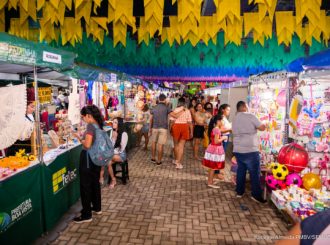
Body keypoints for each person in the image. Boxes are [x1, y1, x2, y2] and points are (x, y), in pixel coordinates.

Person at [73, 105, 104, 223]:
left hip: (88, 158)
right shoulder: (99, 123)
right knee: (95, 183)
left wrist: (79, 139)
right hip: (96, 158)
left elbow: (87, 145)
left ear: (88, 116)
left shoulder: (91, 126)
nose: (83, 120)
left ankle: (86, 215)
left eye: (83, 117)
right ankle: (97, 207)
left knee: (85, 186)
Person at [232, 101, 267, 203]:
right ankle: (256, 195)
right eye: (246, 106)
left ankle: (239, 192)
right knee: (254, 173)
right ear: (243, 106)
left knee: (241, 171)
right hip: (250, 149)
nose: (248, 108)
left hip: (238, 149)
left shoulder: (235, 118)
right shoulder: (250, 116)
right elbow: (262, 127)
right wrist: (265, 124)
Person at [149, 94, 182, 165]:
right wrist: (183, 110)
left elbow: (151, 119)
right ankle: (159, 161)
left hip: (154, 127)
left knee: (153, 143)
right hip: (163, 128)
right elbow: (175, 116)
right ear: (164, 99)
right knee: (160, 145)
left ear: (159, 99)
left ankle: (153, 158)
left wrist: (150, 129)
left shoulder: (154, 107)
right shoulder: (167, 108)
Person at [101, 117, 128, 188]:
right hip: (113, 153)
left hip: (121, 155)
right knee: (108, 162)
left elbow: (121, 149)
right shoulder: (112, 132)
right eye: (113, 122)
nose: (113, 124)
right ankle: (113, 179)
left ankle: (102, 177)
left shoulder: (124, 134)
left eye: (115, 122)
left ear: (120, 124)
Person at [7, 91, 35, 156]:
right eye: (32, 107)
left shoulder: (29, 116)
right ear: (24, 107)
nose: (33, 109)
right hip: (17, 150)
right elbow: (22, 137)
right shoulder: (17, 118)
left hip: (27, 148)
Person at [202, 114, 227, 189]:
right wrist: (223, 138)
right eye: (222, 120)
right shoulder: (217, 129)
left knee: (212, 167)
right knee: (212, 167)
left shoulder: (215, 128)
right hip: (215, 149)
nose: (223, 122)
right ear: (218, 121)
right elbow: (216, 141)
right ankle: (210, 182)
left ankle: (211, 180)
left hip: (213, 148)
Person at [171, 97, 193, 169]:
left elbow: (171, 121)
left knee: (175, 145)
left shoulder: (175, 110)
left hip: (176, 126)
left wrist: (170, 129)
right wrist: (191, 132)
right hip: (184, 127)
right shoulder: (187, 110)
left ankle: (176, 159)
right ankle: (178, 163)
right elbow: (190, 122)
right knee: (181, 146)